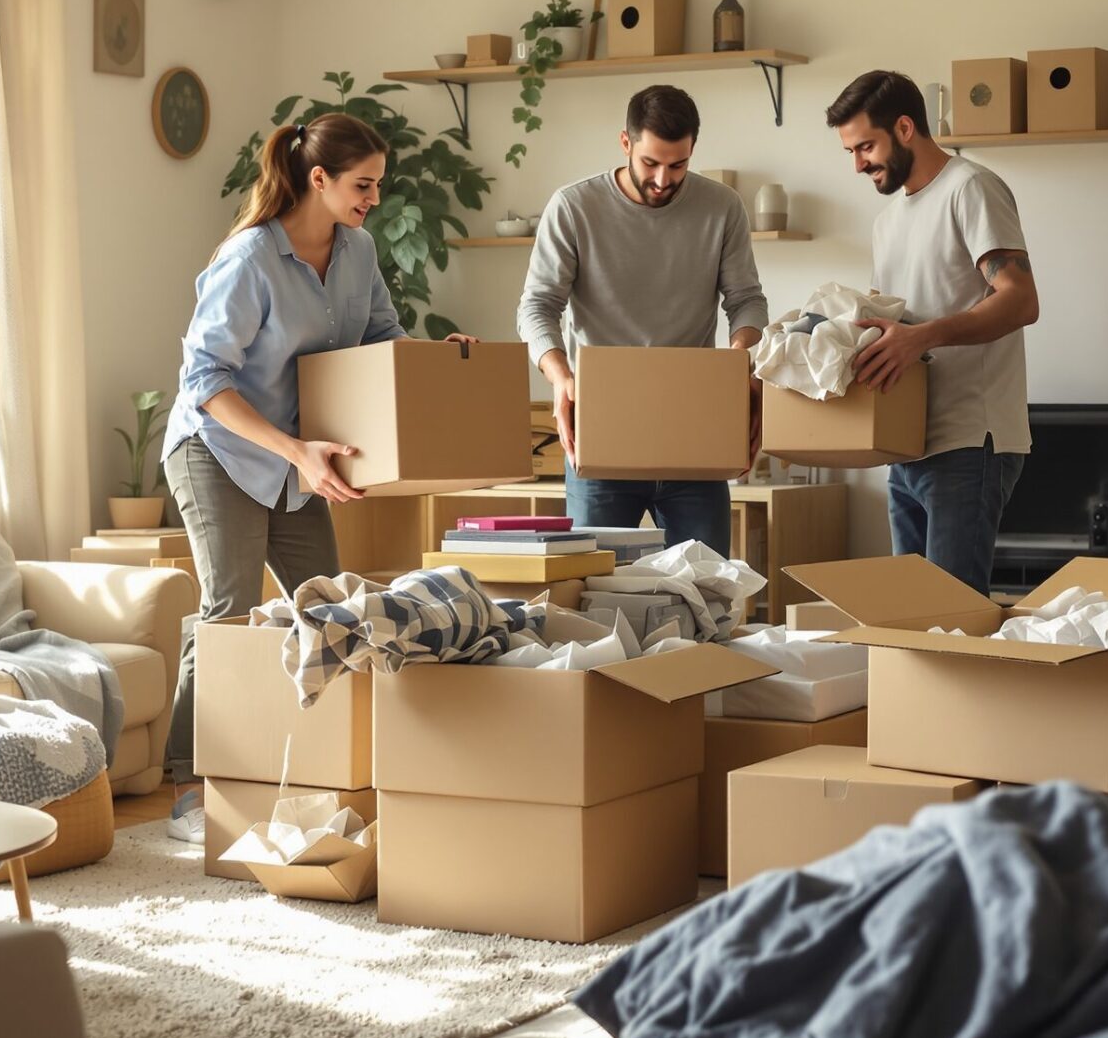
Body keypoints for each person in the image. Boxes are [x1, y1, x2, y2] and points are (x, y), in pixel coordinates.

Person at [158, 112, 471, 786]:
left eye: (379, 184)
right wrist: (295, 451)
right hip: (218, 447)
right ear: (318, 178)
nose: (375, 198)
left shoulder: (357, 251)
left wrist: (436, 359)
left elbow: (381, 335)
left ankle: (312, 760)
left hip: (297, 458)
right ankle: (188, 778)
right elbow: (205, 381)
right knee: (230, 611)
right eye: (364, 184)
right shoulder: (249, 259)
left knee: (326, 611)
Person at [518, 84, 766, 554]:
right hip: (602, 426)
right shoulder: (573, 207)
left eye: (678, 165)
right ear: (625, 143)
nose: (662, 179)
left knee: (708, 589)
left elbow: (747, 299)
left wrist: (741, 362)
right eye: (650, 163)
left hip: (695, 430)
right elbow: (536, 306)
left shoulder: (723, 207)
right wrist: (561, 378)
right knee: (592, 593)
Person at [825, 70, 1039, 595]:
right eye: (850, 152)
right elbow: (894, 324)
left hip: (971, 440)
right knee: (914, 620)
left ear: (903, 128)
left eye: (865, 147)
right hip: (905, 444)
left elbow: (1020, 300)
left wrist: (919, 338)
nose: (858, 165)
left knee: (952, 624)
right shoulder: (887, 222)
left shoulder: (971, 188)